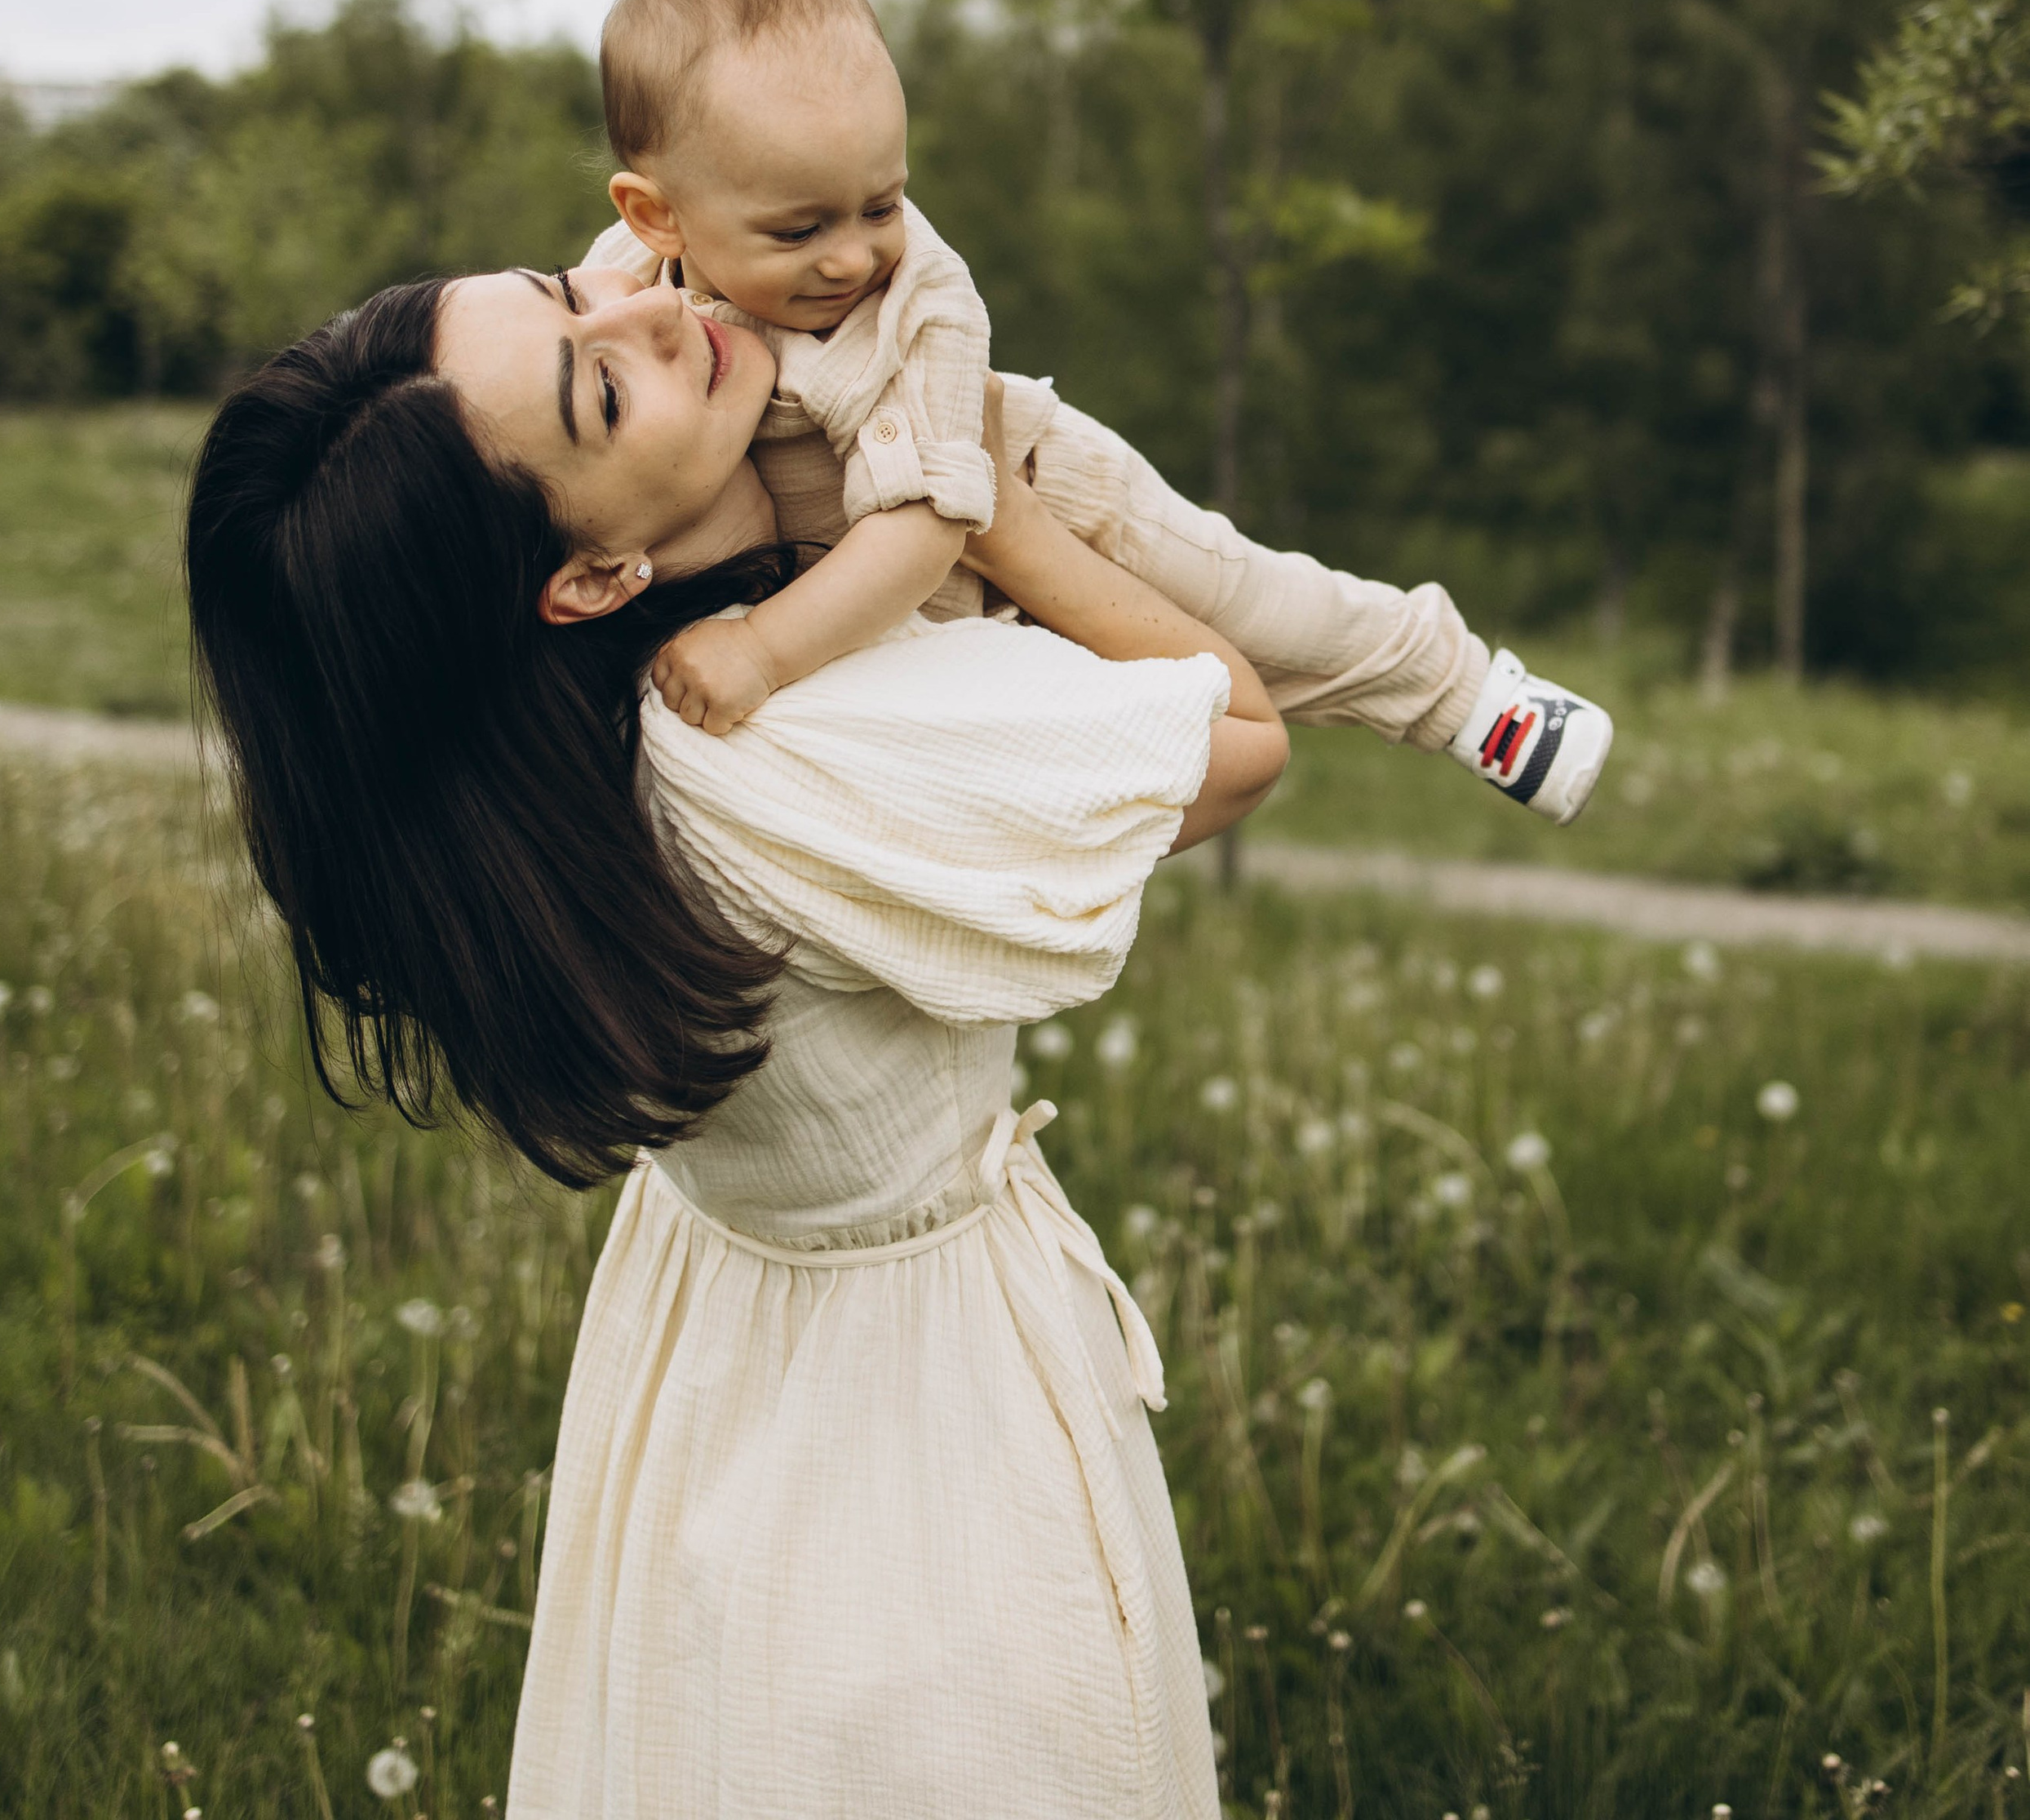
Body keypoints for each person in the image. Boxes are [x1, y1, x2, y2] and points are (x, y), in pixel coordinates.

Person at [186, 262, 1288, 1819]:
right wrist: (966, 498)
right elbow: (1238, 736)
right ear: (583, 578)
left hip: (708, 1357)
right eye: (603, 389)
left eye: (584, 284)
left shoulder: (557, 761)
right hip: (922, 1404)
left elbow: (592, 341)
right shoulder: (802, 733)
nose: (652, 317)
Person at [583, 0, 1611, 818]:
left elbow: (923, 528)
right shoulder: (618, 297)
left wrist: (762, 653)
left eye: (881, 205)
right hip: (912, 620)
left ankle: (1462, 693)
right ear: (656, 215)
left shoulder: (920, 303)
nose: (852, 257)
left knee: (1252, 605)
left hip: (1050, 498)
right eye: (800, 228)